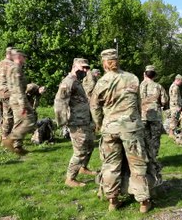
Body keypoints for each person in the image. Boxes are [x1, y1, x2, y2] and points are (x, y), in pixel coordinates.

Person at [90, 49, 151, 213]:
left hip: (110, 128)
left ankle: (113, 200)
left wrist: (100, 124)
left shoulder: (101, 82)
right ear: (118, 61)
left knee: (110, 165)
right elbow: (138, 103)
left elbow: (95, 107)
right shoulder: (132, 78)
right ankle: (143, 201)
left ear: (104, 63)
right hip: (131, 127)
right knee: (137, 164)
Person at [54, 58, 97, 187]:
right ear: (74, 66)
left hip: (85, 121)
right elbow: (59, 102)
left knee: (89, 146)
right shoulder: (68, 82)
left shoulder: (77, 82)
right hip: (76, 123)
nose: (84, 70)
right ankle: (70, 178)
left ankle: (83, 168)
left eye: (86, 68)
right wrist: (62, 123)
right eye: (82, 67)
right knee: (80, 151)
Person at [2, 49, 36, 155]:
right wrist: (23, 104)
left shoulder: (11, 68)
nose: (25, 59)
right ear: (19, 56)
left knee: (19, 122)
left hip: (14, 98)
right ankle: (10, 139)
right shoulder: (16, 68)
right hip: (19, 98)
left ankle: (17, 146)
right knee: (30, 120)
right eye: (24, 57)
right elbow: (18, 87)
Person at [140, 65, 169, 162]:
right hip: (155, 115)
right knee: (155, 137)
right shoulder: (158, 86)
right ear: (154, 75)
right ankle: (153, 157)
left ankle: (145, 157)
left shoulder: (139, 86)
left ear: (145, 74)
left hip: (142, 115)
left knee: (144, 137)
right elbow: (164, 100)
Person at [168, 74, 182, 138]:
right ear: (178, 80)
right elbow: (175, 98)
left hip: (173, 105)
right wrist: (178, 107)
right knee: (174, 119)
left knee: (174, 119)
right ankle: (171, 134)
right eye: (181, 81)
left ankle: (172, 133)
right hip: (175, 106)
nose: (181, 83)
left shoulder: (173, 86)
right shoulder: (175, 87)